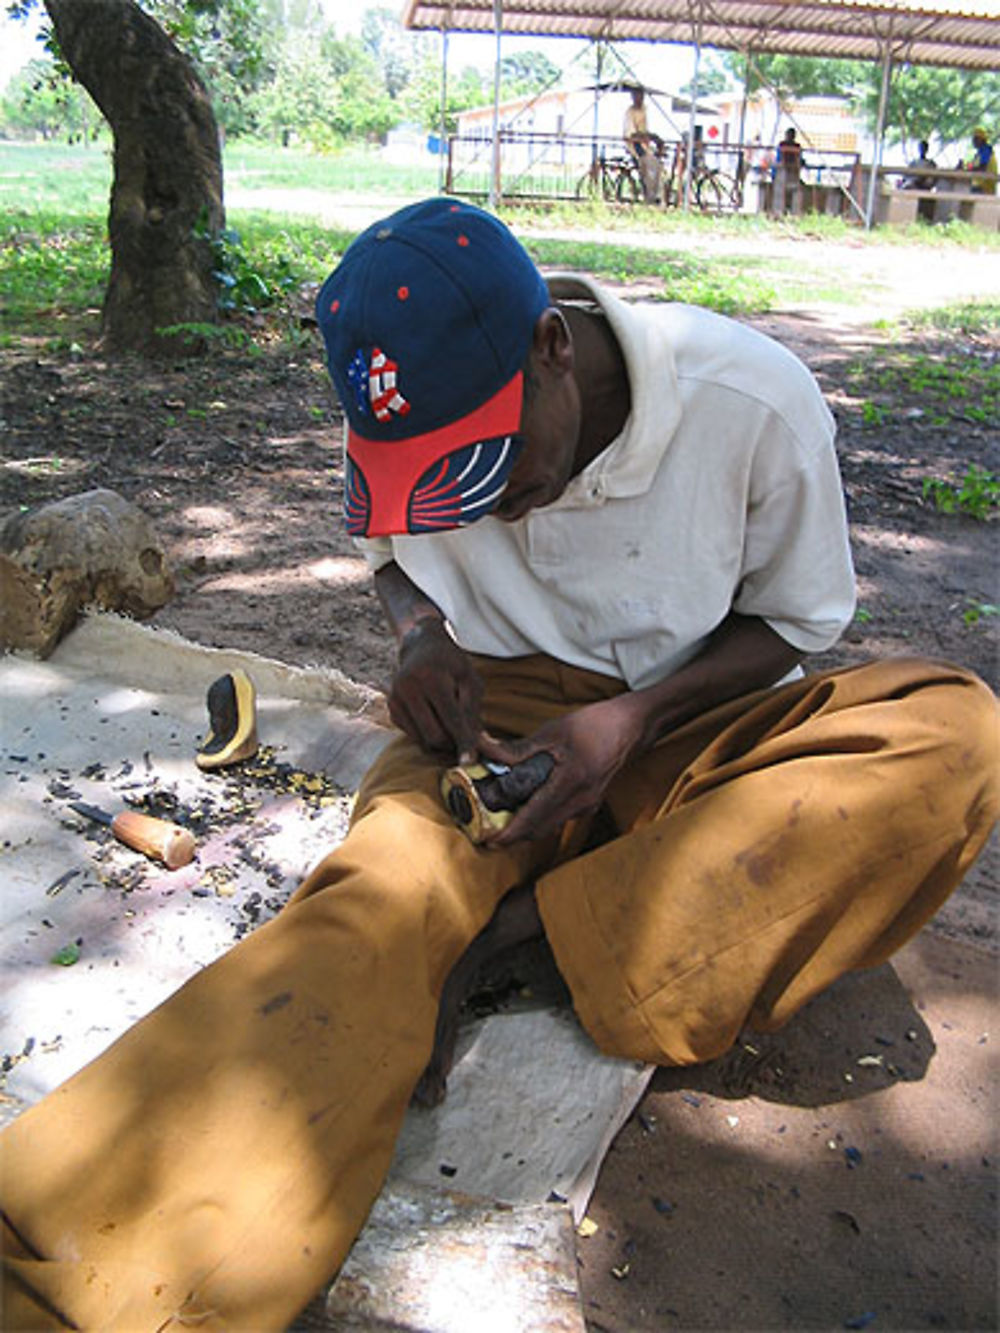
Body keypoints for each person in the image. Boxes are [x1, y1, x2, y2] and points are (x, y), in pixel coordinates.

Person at [2, 198, 998, 1331]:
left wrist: (635, 715)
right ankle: (69, 1268)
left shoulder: (750, 399)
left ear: (552, 349)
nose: (474, 507)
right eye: (442, 478)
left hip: (689, 721)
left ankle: (516, 942)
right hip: (496, 721)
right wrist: (422, 635)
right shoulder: (406, 395)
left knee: (949, 731)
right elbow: (388, 552)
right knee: (375, 901)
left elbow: (795, 619)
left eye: (490, 466)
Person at [622, 86, 662, 203]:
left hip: (645, 145)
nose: (639, 99)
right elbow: (631, 134)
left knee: (658, 165)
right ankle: (650, 196)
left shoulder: (644, 109)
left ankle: (657, 194)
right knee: (649, 166)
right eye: (637, 96)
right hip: (634, 146)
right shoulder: (629, 113)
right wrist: (645, 137)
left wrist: (653, 138)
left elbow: (645, 130)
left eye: (641, 96)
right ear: (633, 97)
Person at [772, 127, 805, 214]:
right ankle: (781, 211)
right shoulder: (783, 145)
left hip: (791, 170)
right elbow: (781, 157)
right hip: (785, 170)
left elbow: (797, 158)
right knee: (782, 193)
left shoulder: (795, 146)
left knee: (791, 192)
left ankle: (790, 211)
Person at [963, 127, 997, 195]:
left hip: (985, 188)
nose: (973, 141)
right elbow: (974, 166)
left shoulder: (986, 150)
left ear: (983, 140)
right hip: (980, 185)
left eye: (976, 138)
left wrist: (967, 170)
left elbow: (982, 168)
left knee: (961, 189)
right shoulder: (980, 153)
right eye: (973, 139)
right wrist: (965, 167)